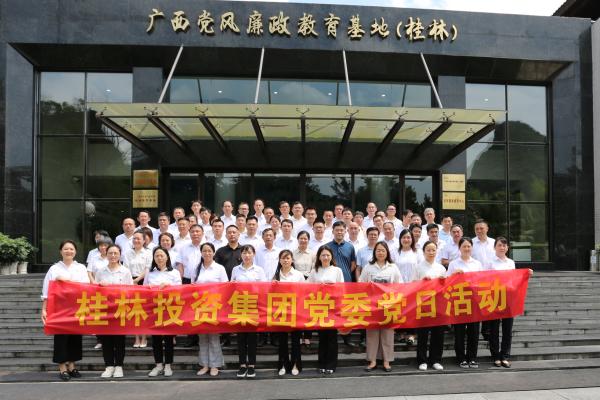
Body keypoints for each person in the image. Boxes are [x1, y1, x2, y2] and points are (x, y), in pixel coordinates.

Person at [41, 240, 90, 381]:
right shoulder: (54, 269)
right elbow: (46, 290)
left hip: (76, 307)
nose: (69, 251)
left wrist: (66, 281)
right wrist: (44, 309)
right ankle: (62, 368)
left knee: (75, 337)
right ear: (60, 251)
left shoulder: (81, 268)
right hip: (59, 308)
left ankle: (72, 366)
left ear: (75, 251)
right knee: (61, 338)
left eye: (71, 249)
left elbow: (86, 286)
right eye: (66, 249)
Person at [359, 242, 402, 372]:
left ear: (387, 252)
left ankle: (386, 361)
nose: (380, 253)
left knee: (387, 333)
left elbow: (399, 284)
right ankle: (372, 361)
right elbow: (361, 283)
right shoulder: (368, 267)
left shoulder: (393, 267)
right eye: (378, 250)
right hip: (372, 306)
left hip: (388, 305)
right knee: (372, 334)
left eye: (383, 250)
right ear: (374, 252)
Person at [486, 237, 527, 368]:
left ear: (507, 248)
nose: (502, 247)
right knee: (494, 329)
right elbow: (485, 280)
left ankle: (505, 356)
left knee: (507, 329)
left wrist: (526, 274)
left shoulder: (511, 262)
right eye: (499, 245)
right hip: (494, 298)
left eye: (504, 245)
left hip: (508, 298)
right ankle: (495, 356)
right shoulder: (490, 262)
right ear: (495, 247)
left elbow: (514, 279)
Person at [95, 244, 133, 378]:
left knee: (119, 340)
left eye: (115, 253)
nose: (113, 256)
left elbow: (131, 291)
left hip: (120, 310)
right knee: (106, 340)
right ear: (106, 254)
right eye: (110, 253)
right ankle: (109, 366)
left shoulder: (125, 271)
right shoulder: (101, 271)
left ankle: (119, 366)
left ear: (120, 255)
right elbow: (95, 291)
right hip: (105, 310)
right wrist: (100, 286)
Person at [144, 247, 182, 377]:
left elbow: (180, 290)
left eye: (162, 255)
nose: (159, 258)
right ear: (153, 258)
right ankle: (158, 365)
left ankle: (168, 365)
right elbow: (143, 290)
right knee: (156, 339)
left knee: (169, 338)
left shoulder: (175, 272)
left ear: (167, 257)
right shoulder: (150, 273)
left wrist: (168, 286)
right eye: (157, 256)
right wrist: (148, 288)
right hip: (154, 309)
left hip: (169, 309)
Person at [231, 245, 267, 379]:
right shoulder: (235, 269)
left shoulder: (259, 270)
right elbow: (231, 286)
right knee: (241, 337)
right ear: (241, 255)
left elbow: (264, 288)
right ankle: (242, 365)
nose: (247, 255)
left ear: (254, 254)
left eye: (249, 253)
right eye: (244, 253)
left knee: (252, 338)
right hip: (240, 306)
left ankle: (251, 365)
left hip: (254, 306)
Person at [193, 242, 228, 377]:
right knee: (202, 337)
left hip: (215, 307)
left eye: (209, 251)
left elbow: (225, 288)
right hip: (200, 307)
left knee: (213, 337)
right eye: (204, 251)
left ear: (213, 253)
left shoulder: (219, 268)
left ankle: (215, 365)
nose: (207, 253)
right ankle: (204, 364)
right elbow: (192, 288)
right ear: (201, 253)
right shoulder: (197, 269)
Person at [307, 246, 344, 374]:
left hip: (333, 307)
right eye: (323, 255)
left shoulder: (337, 270)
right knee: (322, 337)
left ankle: (331, 365)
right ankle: (321, 363)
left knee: (332, 337)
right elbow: (307, 288)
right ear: (319, 257)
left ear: (331, 257)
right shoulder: (314, 271)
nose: (325, 257)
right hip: (319, 307)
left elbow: (341, 288)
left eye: (328, 255)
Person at [447, 237, 483, 368]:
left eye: (468, 246)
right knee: (459, 332)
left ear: (472, 248)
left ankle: (472, 358)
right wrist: (454, 275)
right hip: (459, 300)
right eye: (464, 246)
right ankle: (461, 358)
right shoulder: (453, 264)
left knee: (474, 331)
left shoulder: (477, 264)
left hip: (474, 301)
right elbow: (447, 282)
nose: (466, 249)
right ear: (459, 248)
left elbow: (482, 281)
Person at [414, 241, 447, 371]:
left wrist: (443, 282)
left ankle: (436, 360)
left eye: (433, 250)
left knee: (438, 333)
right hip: (423, 304)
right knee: (423, 334)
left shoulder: (441, 268)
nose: (431, 252)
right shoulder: (418, 267)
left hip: (438, 304)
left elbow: (446, 287)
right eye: (428, 250)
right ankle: (422, 360)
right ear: (423, 252)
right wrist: (422, 282)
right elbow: (412, 285)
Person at [273, 250, 305, 376]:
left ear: (292, 260)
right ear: (279, 260)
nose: (285, 260)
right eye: (283, 258)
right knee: (282, 340)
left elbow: (304, 292)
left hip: (295, 311)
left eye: (288, 258)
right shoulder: (276, 275)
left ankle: (296, 364)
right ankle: (283, 365)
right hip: (281, 311)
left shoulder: (298, 275)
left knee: (296, 340)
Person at [123, 231, 152, 348]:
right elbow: (125, 268)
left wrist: (138, 280)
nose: (136, 240)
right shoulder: (127, 253)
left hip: (144, 282)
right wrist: (132, 281)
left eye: (139, 238)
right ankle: (136, 337)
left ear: (144, 241)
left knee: (143, 311)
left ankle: (144, 337)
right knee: (134, 311)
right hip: (130, 282)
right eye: (134, 238)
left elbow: (147, 268)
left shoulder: (148, 253)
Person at [292, 230, 316, 347]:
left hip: (309, 284)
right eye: (301, 238)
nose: (303, 240)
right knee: (297, 310)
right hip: (296, 284)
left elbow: (314, 269)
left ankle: (307, 336)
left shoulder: (312, 254)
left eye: (305, 238)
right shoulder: (293, 253)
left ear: (308, 240)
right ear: (297, 239)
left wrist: (308, 281)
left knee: (308, 310)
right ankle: (298, 335)